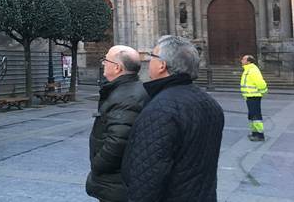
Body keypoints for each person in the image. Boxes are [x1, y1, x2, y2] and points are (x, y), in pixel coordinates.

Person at [122, 35, 224, 202]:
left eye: (152, 57)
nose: (148, 62)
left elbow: (147, 177)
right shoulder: (210, 103)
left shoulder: (160, 110)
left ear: (162, 65)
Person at [86, 45, 148, 202]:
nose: (103, 63)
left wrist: (98, 165)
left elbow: (118, 141)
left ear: (117, 68)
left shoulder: (126, 97)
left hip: (115, 182)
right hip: (119, 179)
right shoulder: (131, 89)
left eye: (106, 60)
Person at [240, 54, 268, 141]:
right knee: (252, 115)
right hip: (249, 96)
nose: (241, 60)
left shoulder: (253, 70)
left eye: (243, 59)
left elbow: (260, 82)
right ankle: (254, 133)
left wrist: (263, 92)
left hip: (254, 96)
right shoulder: (247, 70)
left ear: (249, 61)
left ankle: (260, 135)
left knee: (256, 115)